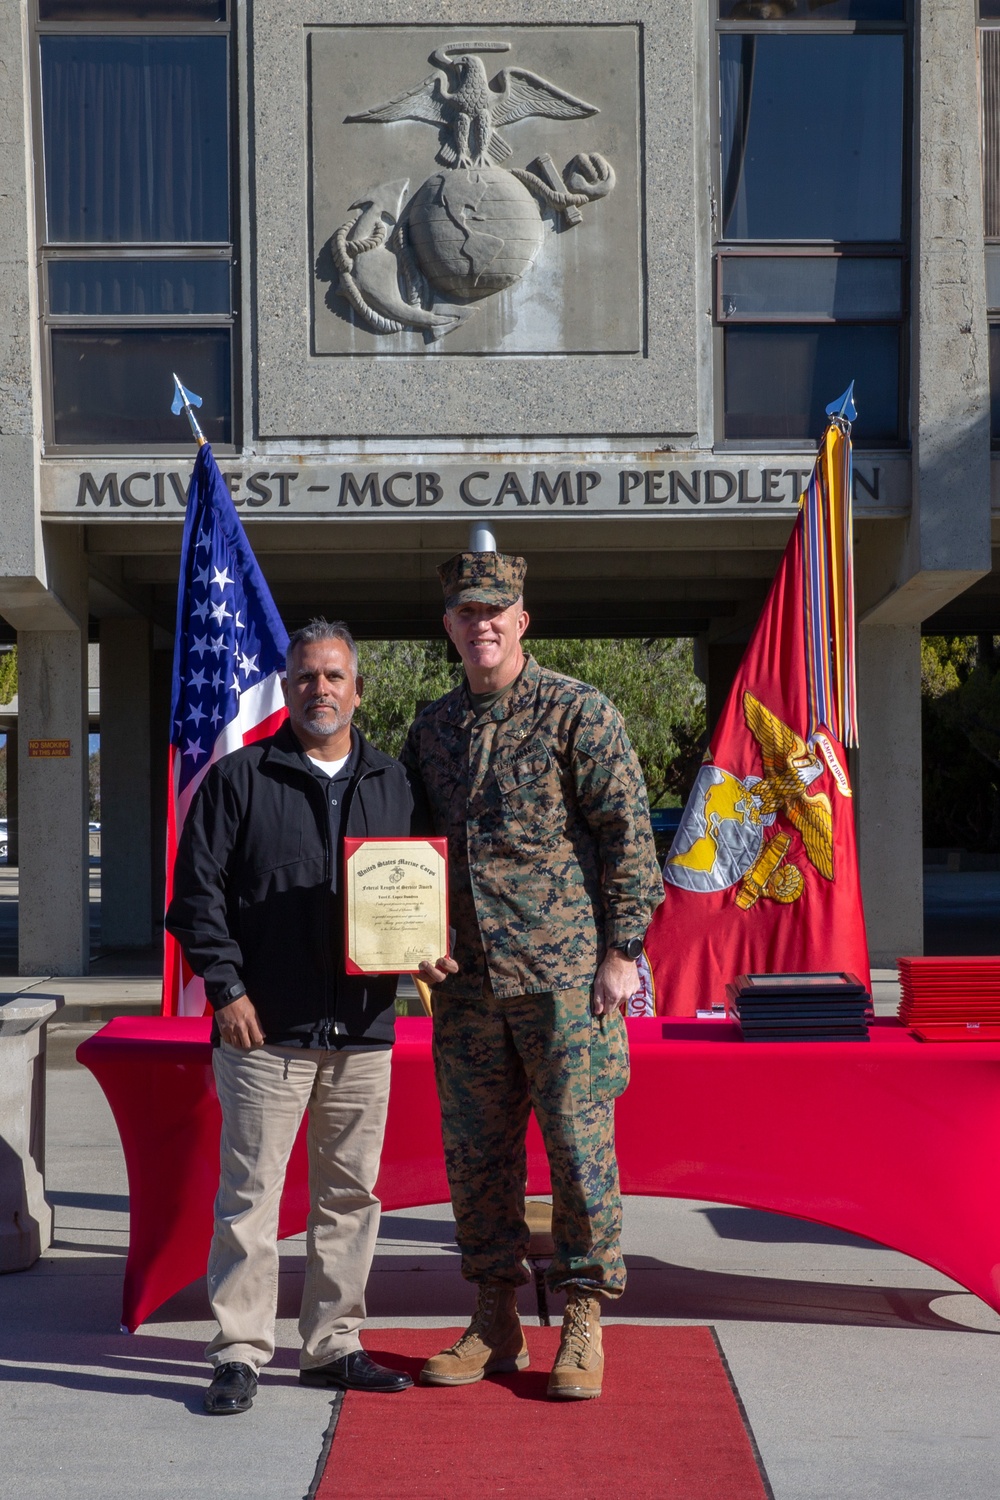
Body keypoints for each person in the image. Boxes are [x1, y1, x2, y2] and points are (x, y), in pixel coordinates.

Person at [401, 552, 664, 1400]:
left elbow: (628, 834)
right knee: (476, 1156)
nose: (481, 623)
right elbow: (411, 852)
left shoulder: (577, 710)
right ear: (448, 626)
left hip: (565, 976)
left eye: (497, 610)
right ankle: (494, 1315)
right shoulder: (432, 730)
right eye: (466, 612)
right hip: (468, 983)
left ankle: (584, 1313)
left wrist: (623, 951)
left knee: (581, 1153)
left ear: (522, 620)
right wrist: (409, 933)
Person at [166, 619, 416, 1414]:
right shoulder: (241, 779)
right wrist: (230, 991)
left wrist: (428, 948)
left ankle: (333, 1344)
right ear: (289, 687)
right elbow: (196, 900)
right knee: (250, 1198)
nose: (321, 690)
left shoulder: (394, 783)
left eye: (335, 676)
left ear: (357, 690)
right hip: (263, 1030)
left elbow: (419, 891)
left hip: (363, 1030)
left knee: (350, 1195)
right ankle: (239, 1349)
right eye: (306, 677)